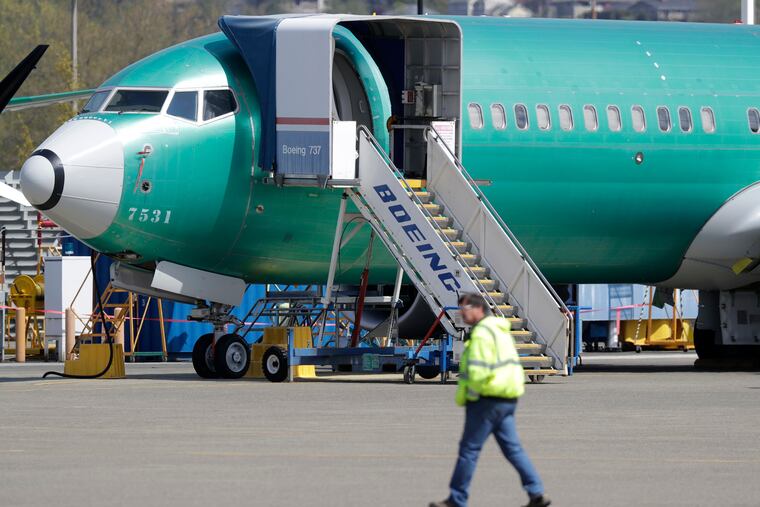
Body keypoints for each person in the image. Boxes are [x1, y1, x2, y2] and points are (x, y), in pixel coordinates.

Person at [429, 293, 550, 507]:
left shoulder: (482, 334)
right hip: (507, 397)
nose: (461, 313)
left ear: (478, 309)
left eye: (464, 308)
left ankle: (457, 499)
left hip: (486, 399)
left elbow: (477, 369)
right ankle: (536, 492)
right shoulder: (499, 331)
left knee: (469, 451)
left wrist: (471, 396)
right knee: (513, 449)